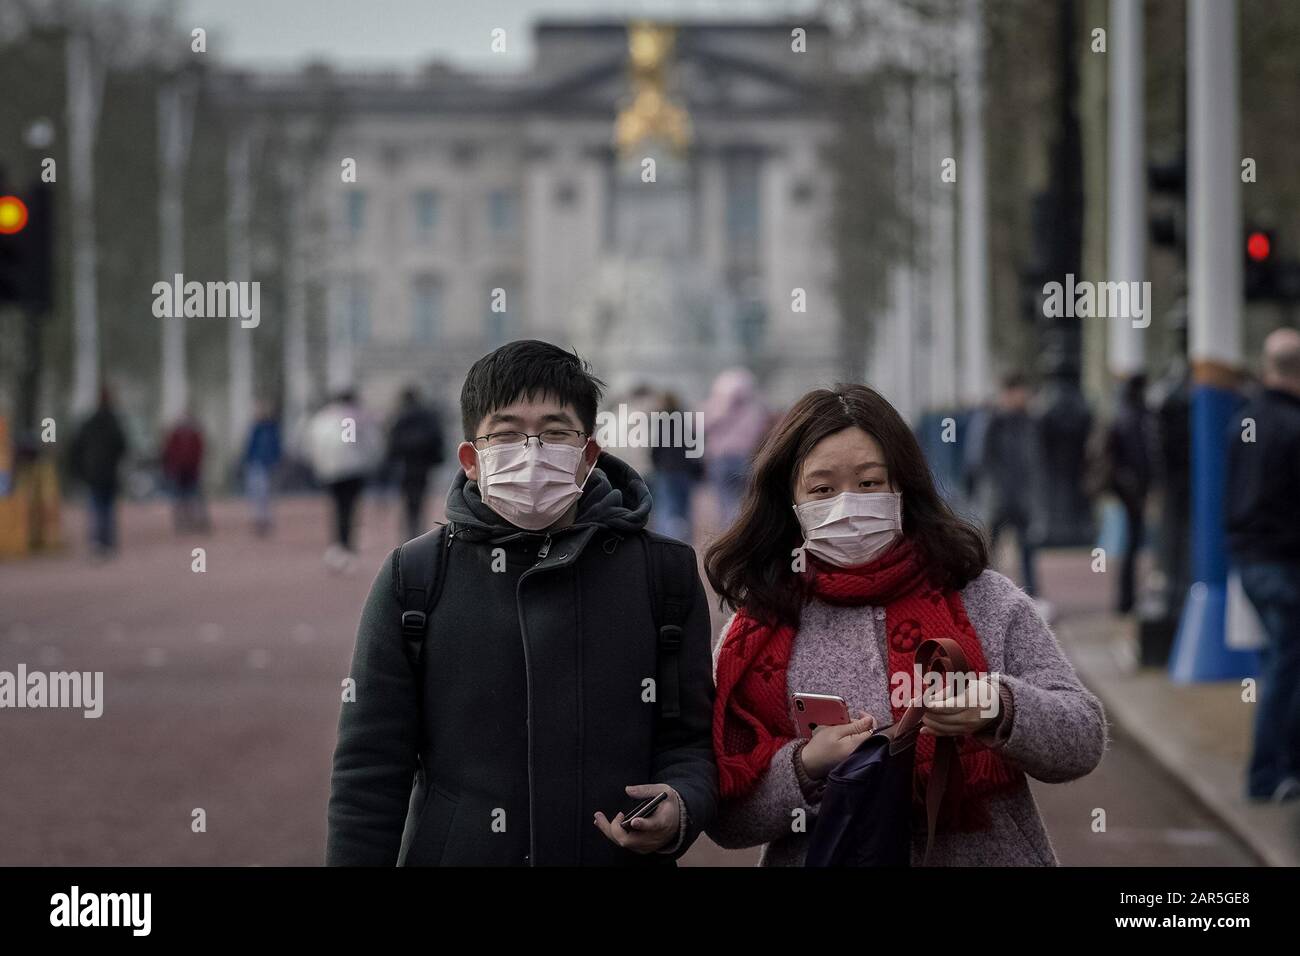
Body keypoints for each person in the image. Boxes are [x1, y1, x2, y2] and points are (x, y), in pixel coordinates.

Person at [326, 340, 718, 866]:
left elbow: (691, 742)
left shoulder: (662, 574)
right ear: (471, 459)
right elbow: (370, 769)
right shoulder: (415, 578)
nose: (532, 451)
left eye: (555, 433)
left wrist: (681, 804)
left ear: (588, 456)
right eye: (507, 434)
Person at [703, 384, 1107, 865]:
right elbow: (727, 817)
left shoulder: (984, 599)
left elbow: (1082, 738)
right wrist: (806, 767)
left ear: (902, 487)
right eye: (823, 489)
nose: (848, 505)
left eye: (870, 483)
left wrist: (1000, 707)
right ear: (789, 502)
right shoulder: (757, 633)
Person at [1226, 327, 1300, 803]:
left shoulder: (1241, 422)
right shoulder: (1294, 426)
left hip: (1250, 560)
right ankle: (1273, 773)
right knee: (1286, 668)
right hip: (1285, 563)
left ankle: (1271, 773)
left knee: (1280, 663)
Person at [978, 374, 1042, 598]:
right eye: (1020, 392)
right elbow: (982, 460)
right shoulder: (994, 422)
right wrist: (992, 492)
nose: (1024, 397)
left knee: (1027, 549)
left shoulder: (1028, 422)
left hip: (1022, 498)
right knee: (992, 550)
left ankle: (1033, 596)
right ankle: (987, 595)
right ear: (1008, 393)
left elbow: (1033, 460)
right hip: (1000, 499)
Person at [306, 390, 382, 572]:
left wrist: (320, 464)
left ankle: (337, 546)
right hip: (350, 470)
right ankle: (346, 548)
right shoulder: (352, 418)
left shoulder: (322, 418)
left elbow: (311, 444)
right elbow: (352, 444)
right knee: (349, 509)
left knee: (338, 508)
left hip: (329, 470)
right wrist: (371, 460)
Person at [1105, 375, 1153, 614]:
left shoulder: (1121, 416)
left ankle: (1126, 599)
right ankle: (1127, 599)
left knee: (1129, 545)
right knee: (1132, 544)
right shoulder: (1135, 419)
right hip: (1133, 491)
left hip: (1126, 490)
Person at [702, 368, 770, 528]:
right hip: (744, 457)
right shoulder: (754, 410)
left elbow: (701, 426)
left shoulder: (717, 407)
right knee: (742, 498)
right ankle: (739, 528)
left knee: (724, 498)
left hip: (721, 457)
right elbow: (759, 432)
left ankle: (730, 530)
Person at [69, 386, 128, 558]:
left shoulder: (88, 422)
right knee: (108, 508)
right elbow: (123, 447)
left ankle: (96, 542)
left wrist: (79, 470)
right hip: (109, 473)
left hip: (93, 472)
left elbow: (76, 448)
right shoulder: (115, 423)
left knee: (96, 507)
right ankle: (108, 542)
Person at [385, 387, 446, 542]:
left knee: (408, 500)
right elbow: (437, 439)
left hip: (406, 465)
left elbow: (392, 441)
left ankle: (409, 531)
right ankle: (417, 530)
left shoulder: (400, 417)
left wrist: (389, 462)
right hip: (423, 464)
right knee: (420, 498)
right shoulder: (427, 416)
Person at [649, 390, 703, 544]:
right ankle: (686, 541)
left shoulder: (660, 421)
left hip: (666, 469)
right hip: (684, 469)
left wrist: (655, 463)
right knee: (684, 508)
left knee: (667, 507)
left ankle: (667, 541)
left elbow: (656, 447)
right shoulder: (685, 420)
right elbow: (694, 445)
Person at [161, 410, 209, 534]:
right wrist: (171, 468)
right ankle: (182, 522)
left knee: (195, 498)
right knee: (179, 499)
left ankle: (198, 522)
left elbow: (200, 452)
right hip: (179, 472)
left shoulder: (195, 435)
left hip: (192, 472)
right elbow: (169, 453)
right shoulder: (175, 435)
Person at [243, 402, 282, 536]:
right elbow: (249, 447)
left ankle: (266, 518)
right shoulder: (256, 429)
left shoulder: (272, 429)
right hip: (256, 464)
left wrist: (276, 461)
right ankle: (258, 518)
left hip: (268, 465)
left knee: (267, 494)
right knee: (256, 493)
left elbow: (277, 446)